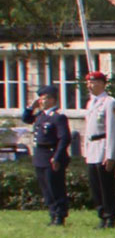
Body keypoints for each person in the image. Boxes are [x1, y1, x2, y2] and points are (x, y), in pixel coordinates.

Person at [22, 85, 70, 226]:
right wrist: (31, 106)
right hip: (40, 155)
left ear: (53, 100)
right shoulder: (41, 116)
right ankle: (52, 213)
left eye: (46, 98)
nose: (43, 102)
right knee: (46, 188)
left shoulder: (58, 117)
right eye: (41, 99)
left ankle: (60, 215)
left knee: (55, 186)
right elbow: (26, 118)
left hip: (51, 154)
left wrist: (57, 156)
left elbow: (64, 138)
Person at [83, 71, 115, 229]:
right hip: (93, 148)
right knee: (96, 187)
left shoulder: (109, 102)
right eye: (88, 83)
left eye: (93, 82)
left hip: (103, 147)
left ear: (102, 84)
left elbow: (112, 130)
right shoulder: (90, 103)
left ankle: (110, 216)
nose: (90, 86)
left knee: (106, 186)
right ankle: (101, 214)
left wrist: (110, 154)